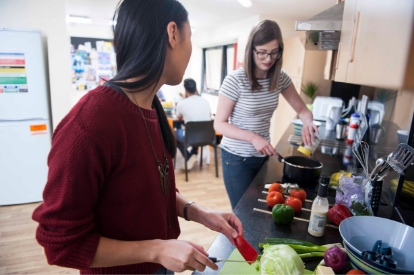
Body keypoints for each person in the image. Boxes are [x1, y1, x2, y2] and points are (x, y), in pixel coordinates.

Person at [32, 0, 243, 274]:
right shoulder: (91, 123)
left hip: (160, 265)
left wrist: (198, 212)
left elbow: (151, 190)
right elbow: (61, 244)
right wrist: (157, 249)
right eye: (190, 38)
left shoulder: (149, 106)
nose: (190, 50)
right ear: (173, 34)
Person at [214, 20, 319, 209]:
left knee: (259, 208)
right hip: (236, 159)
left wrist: (308, 122)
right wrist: (253, 137)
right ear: (251, 50)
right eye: (262, 52)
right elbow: (219, 124)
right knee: (244, 213)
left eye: (274, 52)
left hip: (262, 156)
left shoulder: (280, 78)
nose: (268, 58)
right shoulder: (235, 80)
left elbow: (303, 110)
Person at [175, 78, 211, 170]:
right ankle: (194, 154)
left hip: (192, 136)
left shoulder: (181, 104)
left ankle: (190, 156)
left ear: (186, 91)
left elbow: (179, 117)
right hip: (208, 136)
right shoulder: (205, 102)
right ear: (196, 89)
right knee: (194, 131)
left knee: (173, 135)